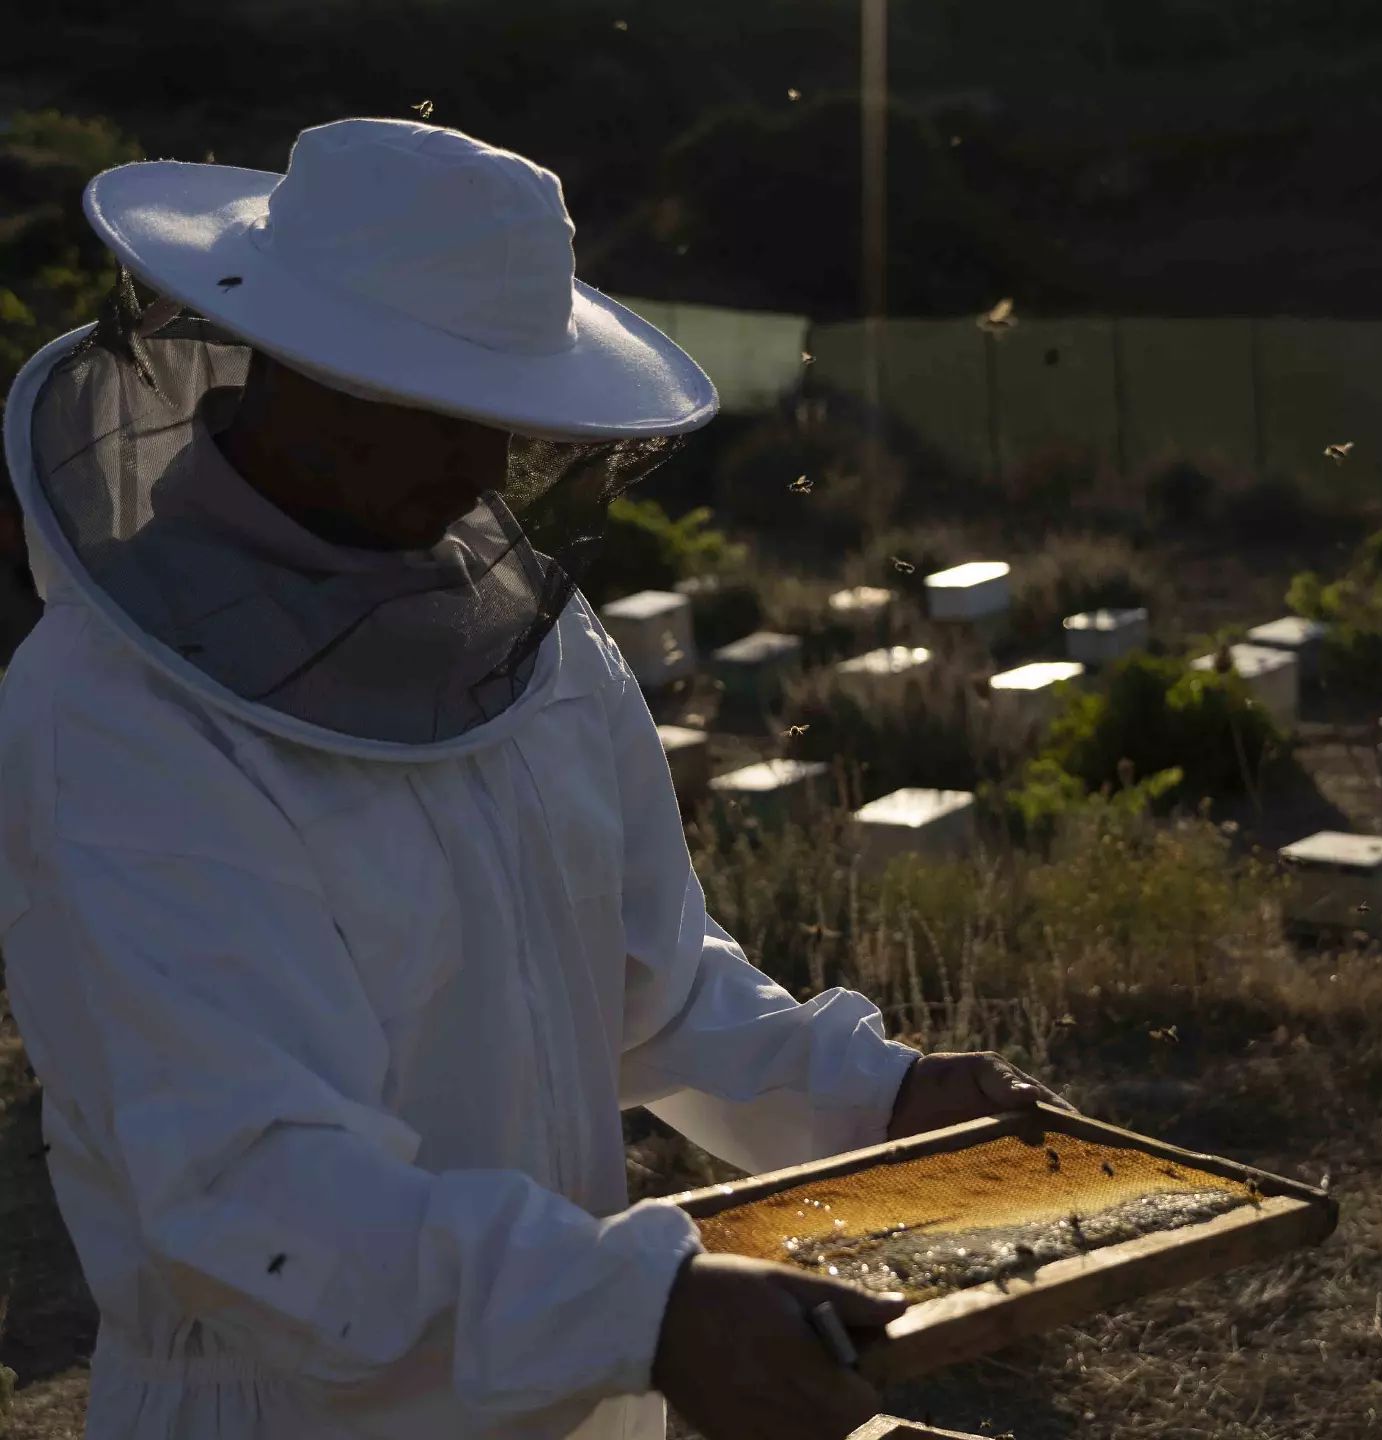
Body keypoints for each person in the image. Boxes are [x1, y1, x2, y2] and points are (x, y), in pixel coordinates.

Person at [0, 117, 1067, 1440]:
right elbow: (251, 1190)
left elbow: (649, 984)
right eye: (437, 403)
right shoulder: (113, 723)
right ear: (296, 362)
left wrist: (878, 1099)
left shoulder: (533, 644)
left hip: (572, 1389)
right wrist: (645, 1310)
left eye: (507, 410)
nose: (487, 468)